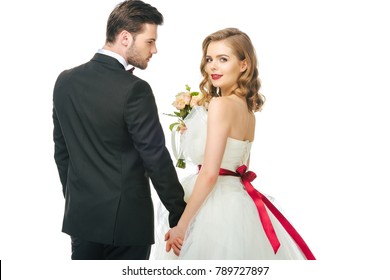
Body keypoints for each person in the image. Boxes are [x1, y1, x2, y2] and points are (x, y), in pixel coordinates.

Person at [159, 28, 315, 259]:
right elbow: (240, 167)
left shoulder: (221, 105)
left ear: (243, 65)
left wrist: (182, 225)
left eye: (223, 59)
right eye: (209, 59)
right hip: (239, 203)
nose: (213, 66)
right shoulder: (248, 111)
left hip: (213, 204)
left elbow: (211, 173)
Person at [52, 0, 186, 260]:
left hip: (81, 220)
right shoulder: (135, 89)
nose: (155, 49)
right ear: (125, 37)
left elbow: (61, 152)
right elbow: (155, 157)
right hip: (127, 224)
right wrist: (179, 214)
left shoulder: (64, 81)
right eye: (149, 41)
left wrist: (77, 201)